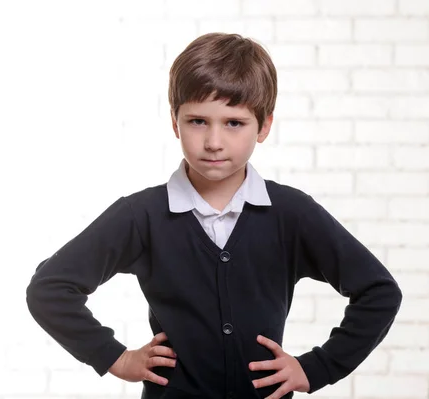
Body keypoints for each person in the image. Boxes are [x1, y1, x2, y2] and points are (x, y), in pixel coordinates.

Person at [25, 33, 402, 399]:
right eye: (197, 121)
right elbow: (50, 288)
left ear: (264, 126)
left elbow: (379, 292)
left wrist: (317, 367)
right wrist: (114, 357)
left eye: (234, 123)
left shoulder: (290, 213)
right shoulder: (142, 215)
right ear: (175, 122)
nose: (214, 142)